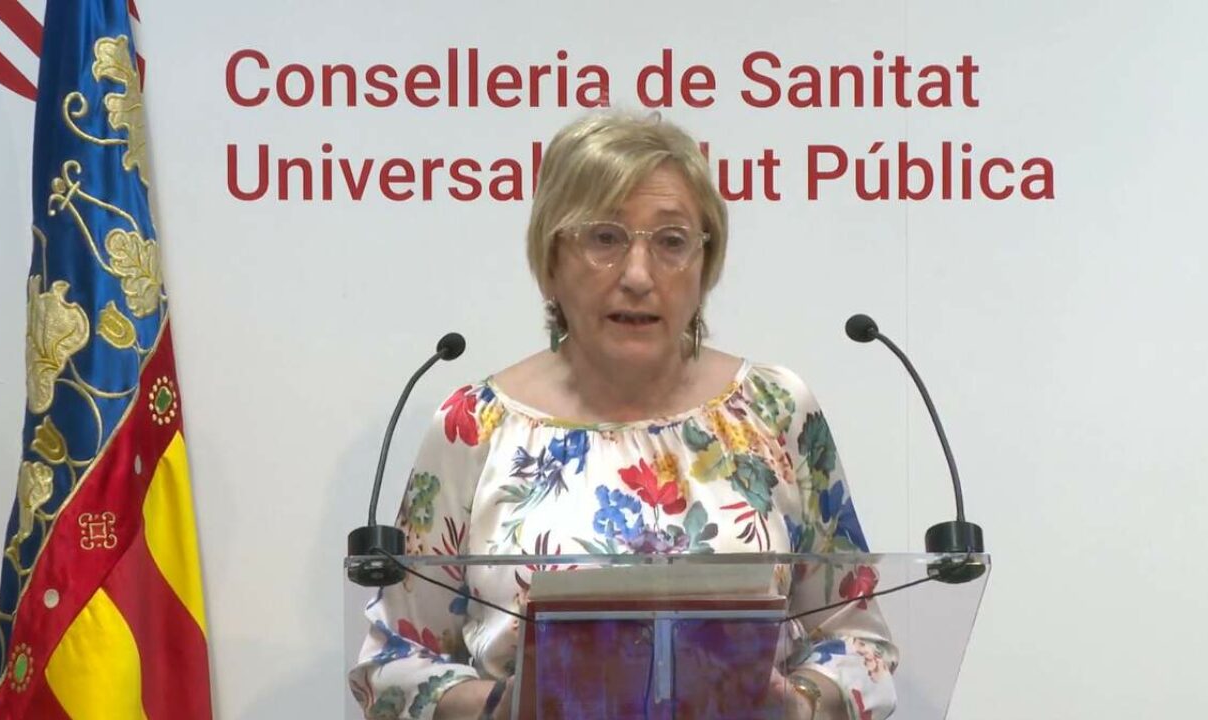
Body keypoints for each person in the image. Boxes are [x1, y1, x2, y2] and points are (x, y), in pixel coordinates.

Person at [348, 112, 898, 720]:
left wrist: (799, 705)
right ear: (551, 260)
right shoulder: (473, 426)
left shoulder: (776, 410)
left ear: (704, 265)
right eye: (605, 238)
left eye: (671, 242)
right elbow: (394, 664)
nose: (638, 275)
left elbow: (858, 641)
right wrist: (504, 708)